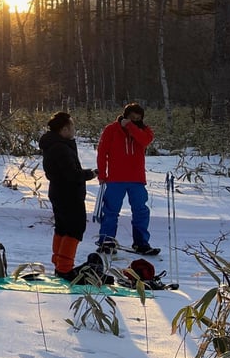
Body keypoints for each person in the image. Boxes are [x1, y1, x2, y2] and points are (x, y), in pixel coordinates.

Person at [39, 111, 98, 280]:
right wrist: (90, 174)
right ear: (64, 129)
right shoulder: (60, 147)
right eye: (72, 126)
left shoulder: (56, 144)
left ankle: (60, 264)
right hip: (68, 193)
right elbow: (71, 174)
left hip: (59, 192)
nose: (74, 129)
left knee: (63, 228)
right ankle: (64, 269)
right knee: (74, 229)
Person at [95, 102, 157, 255]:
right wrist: (102, 174)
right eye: (131, 117)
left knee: (141, 211)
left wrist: (130, 127)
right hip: (115, 178)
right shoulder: (111, 129)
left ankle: (141, 243)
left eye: (138, 118)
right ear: (125, 115)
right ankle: (107, 241)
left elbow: (144, 141)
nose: (135, 120)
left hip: (137, 179)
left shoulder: (145, 130)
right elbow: (102, 152)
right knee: (110, 211)